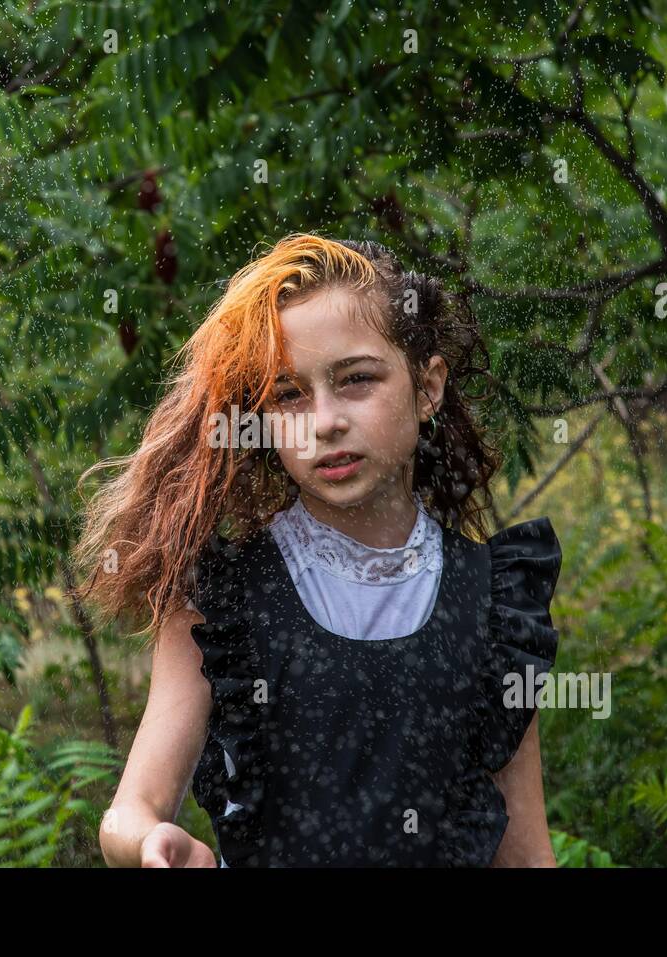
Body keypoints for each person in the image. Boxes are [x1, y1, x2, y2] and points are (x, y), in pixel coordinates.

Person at [72, 233, 561, 867]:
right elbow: (129, 811)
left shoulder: (497, 602)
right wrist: (150, 842)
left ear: (427, 387)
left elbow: (526, 856)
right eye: (290, 395)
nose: (324, 421)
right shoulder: (222, 602)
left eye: (356, 380)